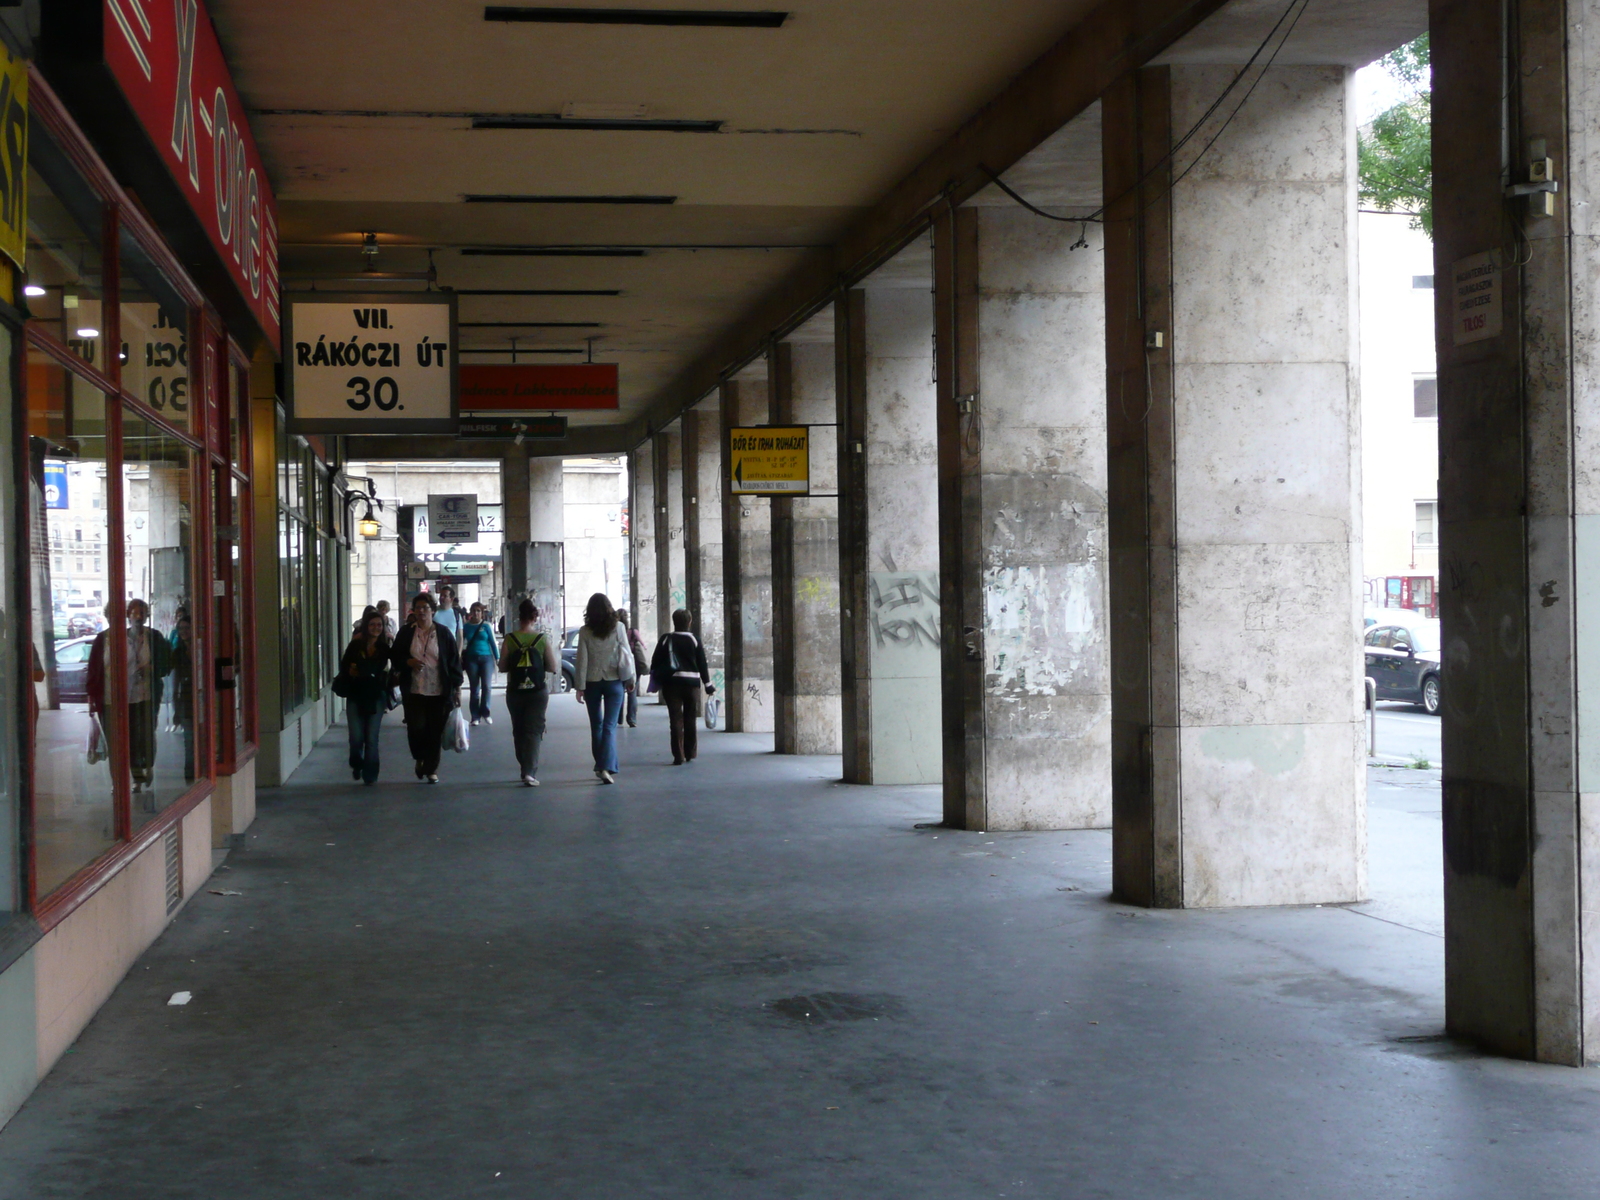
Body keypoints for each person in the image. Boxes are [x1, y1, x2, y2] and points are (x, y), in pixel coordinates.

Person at [88, 598, 172, 799]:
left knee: (139, 739)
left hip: (142, 697)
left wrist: (151, 670)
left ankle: (139, 776)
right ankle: (118, 782)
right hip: (111, 700)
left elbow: (166, 663)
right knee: (115, 742)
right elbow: (94, 671)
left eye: (141, 614)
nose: (137, 618)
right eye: (133, 614)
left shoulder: (150, 637)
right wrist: (92, 697)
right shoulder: (104, 639)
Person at [390, 593, 462, 784]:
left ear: (433, 610)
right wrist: (408, 661)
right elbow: (395, 656)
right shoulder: (406, 633)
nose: (421, 611)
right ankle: (420, 757)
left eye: (425, 607)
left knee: (434, 731)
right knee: (417, 728)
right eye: (418, 607)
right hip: (414, 689)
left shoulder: (444, 633)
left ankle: (431, 769)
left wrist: (457, 689)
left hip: (439, 690)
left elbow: (454, 662)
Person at [573, 592, 634, 784]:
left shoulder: (584, 631)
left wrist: (580, 686)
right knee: (609, 726)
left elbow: (582, 660)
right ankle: (605, 766)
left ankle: (602, 765)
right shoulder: (619, 627)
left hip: (592, 682)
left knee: (596, 725)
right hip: (614, 680)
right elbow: (627, 654)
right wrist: (630, 678)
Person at [499, 598, 560, 786]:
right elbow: (552, 666)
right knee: (533, 731)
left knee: (518, 730)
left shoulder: (510, 639)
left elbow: (502, 666)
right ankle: (529, 772)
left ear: (519, 617)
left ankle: (524, 765)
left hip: (515, 691)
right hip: (537, 692)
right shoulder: (541, 639)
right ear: (535, 617)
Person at [650, 609, 714, 766]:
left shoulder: (666, 639)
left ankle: (678, 755)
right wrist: (708, 685)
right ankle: (690, 752)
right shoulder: (695, 640)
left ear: (674, 621)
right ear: (689, 622)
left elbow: (655, 661)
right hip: (691, 685)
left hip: (671, 685)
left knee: (675, 719)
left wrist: (658, 678)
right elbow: (702, 664)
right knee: (690, 718)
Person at [340, 611, 392, 785]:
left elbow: (385, 667)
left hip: (376, 696)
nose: (376, 628)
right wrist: (350, 670)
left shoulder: (384, 648)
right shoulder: (355, 645)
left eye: (379, 625)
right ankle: (356, 763)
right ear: (366, 626)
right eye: (372, 624)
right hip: (355, 694)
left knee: (371, 737)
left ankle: (370, 775)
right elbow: (344, 664)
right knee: (356, 737)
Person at [461, 601, 500, 726]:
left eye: (478, 611)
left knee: (487, 687)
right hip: (471, 659)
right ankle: (475, 716)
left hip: (486, 658)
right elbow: (461, 641)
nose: (476, 613)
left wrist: (497, 658)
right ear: (470, 613)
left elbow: (493, 643)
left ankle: (486, 713)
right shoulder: (466, 627)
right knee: (474, 689)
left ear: (482, 613)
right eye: (474, 611)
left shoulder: (486, 626)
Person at [617, 608, 648, 728]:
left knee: (619, 691)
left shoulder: (615, 631)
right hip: (633, 666)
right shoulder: (633, 632)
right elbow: (641, 645)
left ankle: (618, 718)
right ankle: (632, 719)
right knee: (632, 692)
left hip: (619, 665)